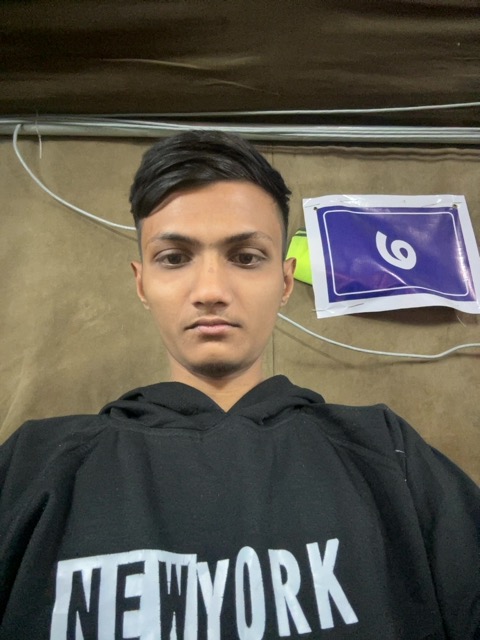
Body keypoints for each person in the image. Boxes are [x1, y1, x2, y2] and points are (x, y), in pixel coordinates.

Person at [0, 130, 479, 640]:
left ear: (285, 282)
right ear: (142, 282)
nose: (210, 290)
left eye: (246, 257)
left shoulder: (386, 451)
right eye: (174, 257)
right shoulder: (34, 466)